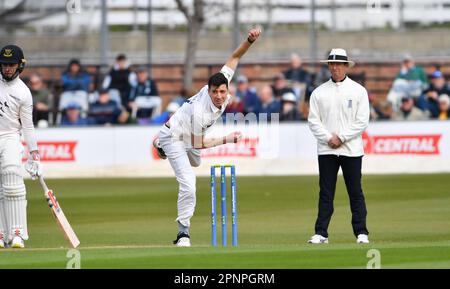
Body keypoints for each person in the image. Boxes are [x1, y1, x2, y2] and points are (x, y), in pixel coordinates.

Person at [153, 28, 261, 247]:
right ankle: (183, 233)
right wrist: (227, 139)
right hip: (174, 136)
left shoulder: (223, 82)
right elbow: (200, 144)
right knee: (189, 183)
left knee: (196, 161)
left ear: (226, 87)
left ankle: (161, 146)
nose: (219, 96)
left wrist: (249, 40)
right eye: (215, 93)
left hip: (190, 134)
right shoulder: (200, 113)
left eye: (222, 92)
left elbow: (235, 57)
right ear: (208, 91)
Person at [307, 48, 370, 244]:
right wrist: (329, 138)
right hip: (327, 150)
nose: (335, 68)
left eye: (339, 64)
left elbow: (362, 122)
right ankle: (321, 233)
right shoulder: (319, 92)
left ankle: (361, 232)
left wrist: (341, 137)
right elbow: (313, 121)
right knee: (326, 192)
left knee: (355, 191)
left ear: (345, 66)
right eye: (331, 64)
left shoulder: (358, 91)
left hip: (351, 150)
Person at [0, 45, 42, 248]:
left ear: (19, 65)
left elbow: (28, 125)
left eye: (11, 64)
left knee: (12, 180)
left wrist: (34, 153)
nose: (7, 68)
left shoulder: (23, 92)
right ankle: (1, 234)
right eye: (4, 64)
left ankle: (17, 233)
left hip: (10, 138)